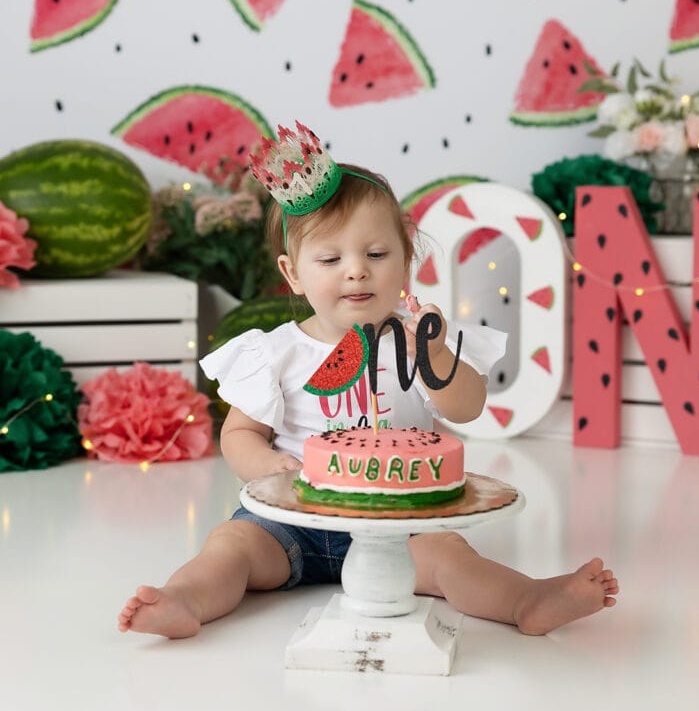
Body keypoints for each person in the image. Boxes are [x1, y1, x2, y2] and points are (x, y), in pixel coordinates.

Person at [118, 122, 618, 639]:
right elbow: (240, 434)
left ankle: (528, 600)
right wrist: (273, 466)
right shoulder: (278, 351)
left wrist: (437, 354)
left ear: (406, 261)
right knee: (229, 548)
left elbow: (467, 407)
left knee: (450, 558)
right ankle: (184, 601)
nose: (356, 271)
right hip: (293, 519)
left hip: (399, 523)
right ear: (293, 275)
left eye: (376, 255)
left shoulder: (418, 339)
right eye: (331, 259)